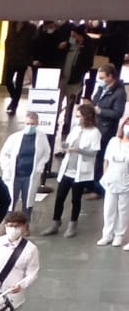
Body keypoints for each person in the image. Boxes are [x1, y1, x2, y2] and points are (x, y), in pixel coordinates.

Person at [43, 101, 102, 238]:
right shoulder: (76, 129)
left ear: (87, 117)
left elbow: (93, 153)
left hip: (80, 173)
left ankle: (72, 225)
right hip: (67, 170)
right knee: (60, 198)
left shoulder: (95, 133)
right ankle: (55, 222)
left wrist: (78, 150)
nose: (77, 119)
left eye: (79, 116)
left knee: (75, 200)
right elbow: (68, 142)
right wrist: (64, 146)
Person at [0, 109, 51, 218]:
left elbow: (46, 153)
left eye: (32, 124)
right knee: (10, 201)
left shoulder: (42, 137)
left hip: (30, 175)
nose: (30, 126)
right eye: (27, 123)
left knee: (28, 202)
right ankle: (8, 223)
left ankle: (26, 223)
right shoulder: (14, 137)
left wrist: (41, 164)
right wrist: (7, 168)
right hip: (15, 175)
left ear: (37, 123)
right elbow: (4, 154)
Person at [97, 113, 129, 248]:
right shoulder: (114, 141)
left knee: (123, 210)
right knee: (109, 209)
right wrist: (105, 176)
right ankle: (107, 234)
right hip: (111, 179)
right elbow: (106, 160)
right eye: (127, 124)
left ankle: (119, 235)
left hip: (125, 181)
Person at [91, 62, 127, 177]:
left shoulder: (120, 92)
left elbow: (118, 113)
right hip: (95, 125)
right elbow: (95, 101)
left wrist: (100, 111)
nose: (100, 80)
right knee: (92, 156)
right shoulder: (101, 88)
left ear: (110, 76)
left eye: (102, 78)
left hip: (106, 129)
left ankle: (97, 184)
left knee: (100, 157)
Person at [3, 21, 39, 114]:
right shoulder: (13, 25)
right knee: (8, 81)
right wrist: (7, 55)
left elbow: (33, 44)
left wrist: (30, 59)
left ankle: (14, 106)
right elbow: (7, 41)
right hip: (11, 59)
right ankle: (14, 100)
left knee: (19, 83)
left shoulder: (31, 28)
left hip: (23, 60)